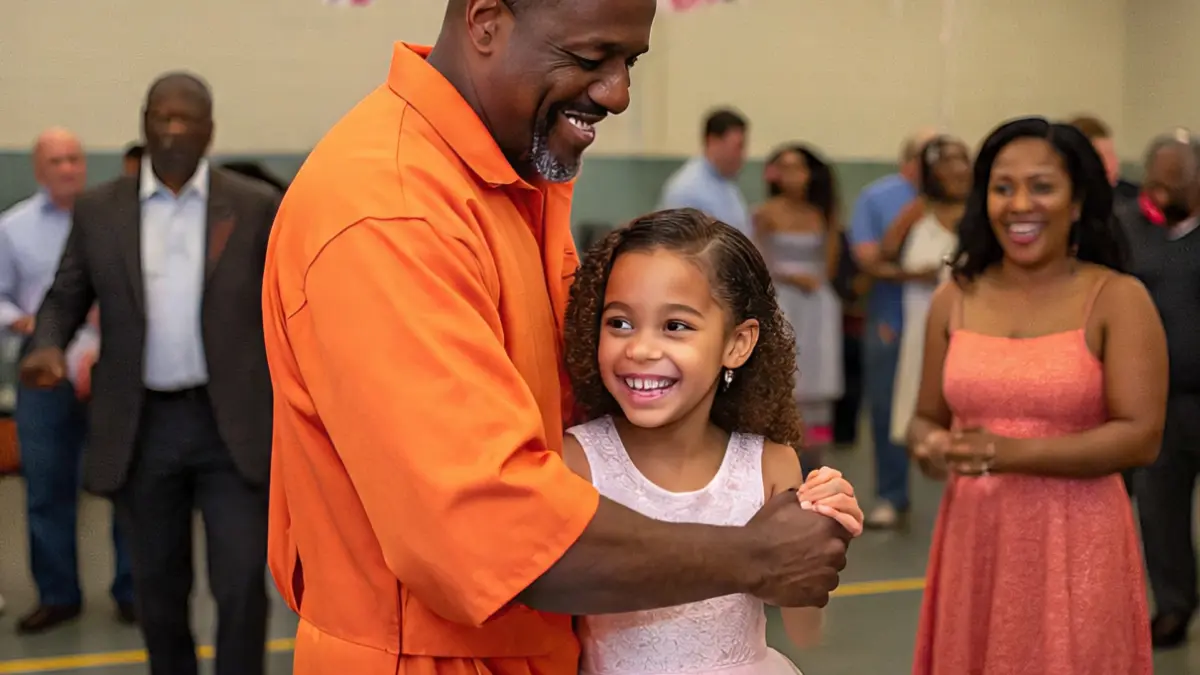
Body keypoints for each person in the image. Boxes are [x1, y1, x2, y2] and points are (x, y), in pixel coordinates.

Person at [262, 1, 852, 673]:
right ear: (486, 22)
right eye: (588, 58)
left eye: (629, 63)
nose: (618, 94)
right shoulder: (390, 211)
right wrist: (755, 554)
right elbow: (482, 532)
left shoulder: (506, 181)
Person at [20, 73, 280, 675]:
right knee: (156, 593)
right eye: (159, 118)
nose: (170, 131)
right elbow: (64, 295)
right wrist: (47, 345)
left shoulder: (252, 206)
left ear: (209, 131)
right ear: (142, 124)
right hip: (142, 426)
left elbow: (287, 304)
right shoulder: (99, 211)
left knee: (241, 585)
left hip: (231, 427)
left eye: (184, 119)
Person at [907, 116, 1163, 674]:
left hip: (1077, 543)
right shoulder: (955, 298)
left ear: (1077, 202)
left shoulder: (1117, 298)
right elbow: (925, 419)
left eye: (1042, 186)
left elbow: (1141, 437)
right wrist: (930, 447)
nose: (1020, 204)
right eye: (1003, 188)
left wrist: (1007, 453)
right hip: (975, 539)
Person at [562, 209, 863, 675]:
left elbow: (805, 631)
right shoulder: (577, 461)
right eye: (619, 323)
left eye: (675, 326)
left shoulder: (770, 464)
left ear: (737, 344)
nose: (640, 350)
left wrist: (823, 530)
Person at [0, 127, 134, 633]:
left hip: (109, 372)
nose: (68, 169)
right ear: (38, 169)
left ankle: (131, 591)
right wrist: (21, 321)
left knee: (126, 484)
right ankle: (57, 595)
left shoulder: (112, 223)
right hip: (43, 378)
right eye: (56, 161)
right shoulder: (12, 229)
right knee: (46, 490)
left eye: (75, 159)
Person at [1121, 131, 1200, 649]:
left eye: (1175, 176)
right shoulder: (1129, 230)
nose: (1161, 187)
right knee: (1159, 510)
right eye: (1155, 175)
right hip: (1159, 402)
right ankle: (1173, 605)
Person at [847, 126, 939, 529]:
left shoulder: (957, 203)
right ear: (913, 161)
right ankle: (891, 492)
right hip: (893, 317)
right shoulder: (878, 198)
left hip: (948, 318)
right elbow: (867, 258)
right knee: (886, 406)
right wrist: (909, 273)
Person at [754, 144, 843, 469]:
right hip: (783, 302)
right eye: (785, 168)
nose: (792, 176)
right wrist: (792, 277)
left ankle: (816, 462)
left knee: (817, 385)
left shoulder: (821, 214)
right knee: (786, 380)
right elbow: (760, 262)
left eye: (799, 168)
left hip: (817, 306)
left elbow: (830, 265)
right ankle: (781, 464)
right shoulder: (765, 213)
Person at [882, 135, 971, 446]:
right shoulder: (919, 213)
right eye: (945, 161)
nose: (956, 168)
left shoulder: (980, 216)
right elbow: (886, 253)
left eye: (961, 159)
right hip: (920, 321)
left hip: (969, 322)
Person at [659, 109, 752, 236]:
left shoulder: (725, 183)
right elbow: (683, 249)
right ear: (713, 141)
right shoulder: (687, 189)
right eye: (738, 146)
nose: (742, 155)